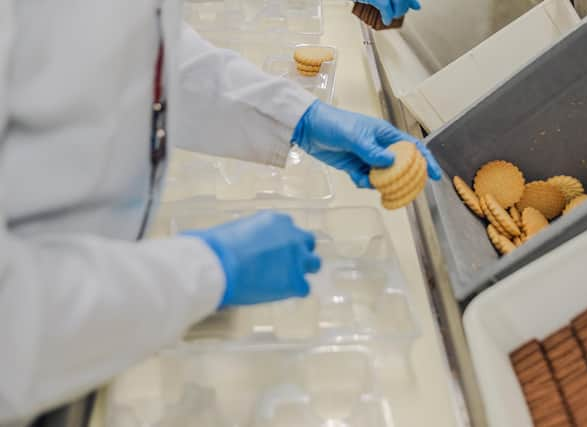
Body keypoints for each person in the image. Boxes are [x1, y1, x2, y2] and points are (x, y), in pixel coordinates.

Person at [0, 0, 438, 425]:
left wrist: (297, 116)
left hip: (93, 327)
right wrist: (209, 269)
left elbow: (134, 55)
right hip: (38, 354)